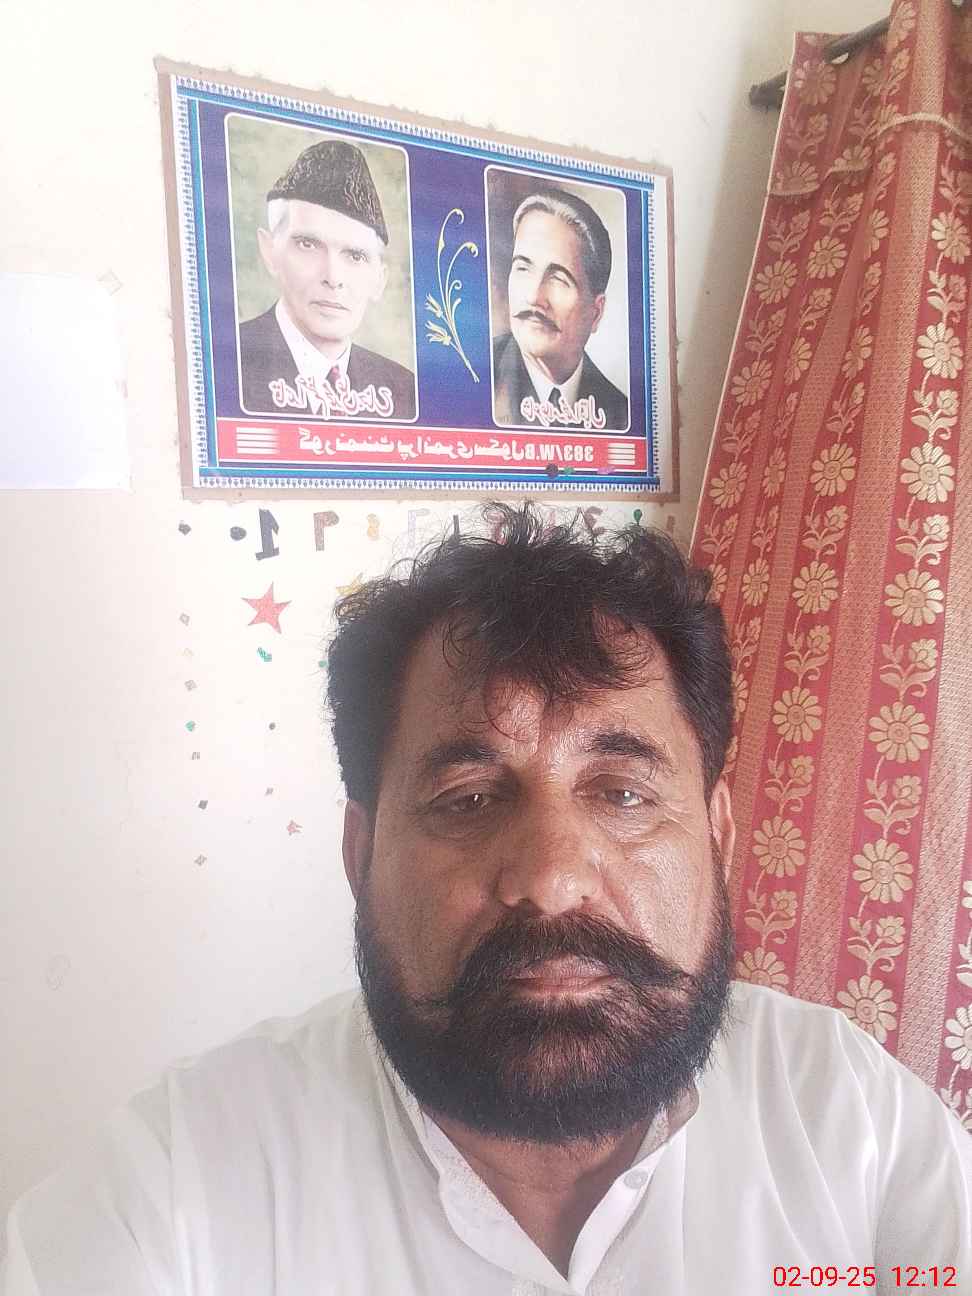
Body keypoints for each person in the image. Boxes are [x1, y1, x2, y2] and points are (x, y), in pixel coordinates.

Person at [2, 504, 970, 1295]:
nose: (550, 878)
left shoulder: (856, 1128)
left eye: (623, 794)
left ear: (716, 836)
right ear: (361, 854)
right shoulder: (174, 1190)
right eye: (467, 799)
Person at [238, 137, 416, 419]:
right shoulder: (225, 364)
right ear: (270, 251)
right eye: (308, 245)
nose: (333, 278)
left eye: (355, 256)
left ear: (379, 280)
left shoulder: (405, 391)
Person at [493, 189, 630, 432]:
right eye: (523, 268)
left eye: (558, 278)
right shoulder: (471, 378)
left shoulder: (621, 414)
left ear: (596, 313)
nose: (534, 297)